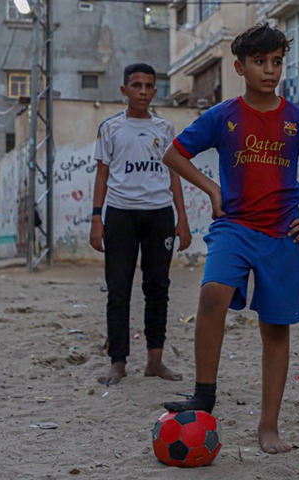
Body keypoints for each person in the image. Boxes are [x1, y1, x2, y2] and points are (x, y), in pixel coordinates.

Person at [161, 23, 299, 454]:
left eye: (276, 61)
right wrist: (211, 189)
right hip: (235, 227)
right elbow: (173, 153)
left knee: (275, 330)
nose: (269, 70)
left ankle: (268, 426)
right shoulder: (223, 115)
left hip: (283, 236)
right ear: (240, 67)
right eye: (260, 62)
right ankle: (204, 396)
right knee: (213, 293)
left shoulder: (298, 121)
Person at [89, 62, 192, 386]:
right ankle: (118, 362)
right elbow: (102, 175)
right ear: (124, 90)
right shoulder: (110, 128)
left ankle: (155, 361)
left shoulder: (164, 130)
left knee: (158, 288)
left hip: (160, 214)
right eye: (137, 85)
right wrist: (96, 217)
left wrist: (182, 218)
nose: (144, 91)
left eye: (149, 85)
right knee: (118, 291)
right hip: (121, 214)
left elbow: (174, 174)